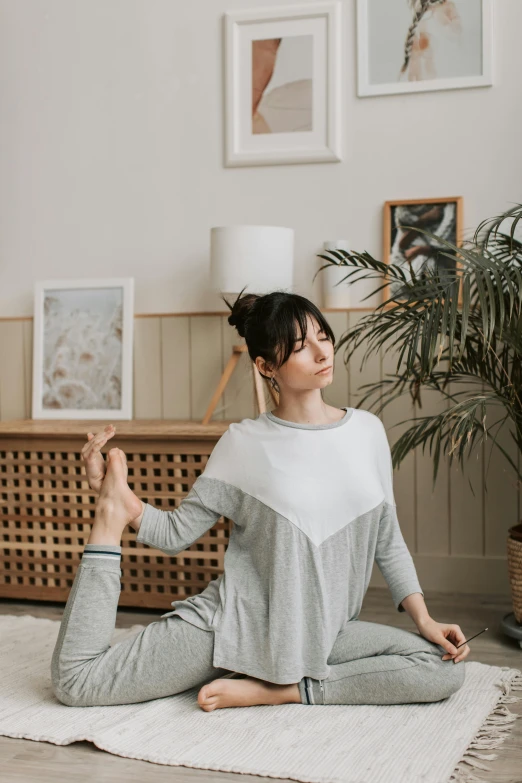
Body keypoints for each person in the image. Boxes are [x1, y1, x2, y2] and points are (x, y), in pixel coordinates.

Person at [50, 289, 469, 711]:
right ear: (266, 365)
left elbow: (388, 539)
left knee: (443, 664)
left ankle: (284, 690)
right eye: (302, 346)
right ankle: (108, 517)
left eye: (323, 335)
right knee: (78, 683)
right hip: (234, 627)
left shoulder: (368, 432)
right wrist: (122, 504)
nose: (322, 352)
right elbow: (177, 533)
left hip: (327, 635)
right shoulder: (243, 443)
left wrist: (424, 619)